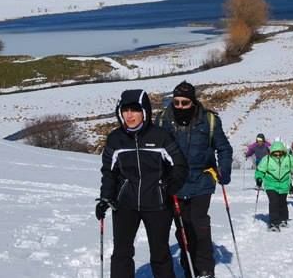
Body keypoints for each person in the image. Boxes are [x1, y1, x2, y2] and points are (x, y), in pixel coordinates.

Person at [96, 89, 189, 278]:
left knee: (160, 253)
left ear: (144, 111)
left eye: (135, 110)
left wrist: (169, 187)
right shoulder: (116, 139)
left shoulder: (160, 137)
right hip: (125, 204)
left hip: (157, 204)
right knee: (121, 253)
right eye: (125, 110)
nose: (129, 115)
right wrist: (106, 197)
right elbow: (109, 172)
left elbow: (180, 165)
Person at [156, 81, 233, 278]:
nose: (180, 106)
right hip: (175, 183)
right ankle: (189, 267)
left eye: (185, 103)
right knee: (183, 228)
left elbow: (224, 148)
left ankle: (205, 269)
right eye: (176, 102)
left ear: (193, 102)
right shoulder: (163, 120)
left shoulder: (208, 120)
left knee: (199, 225)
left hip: (201, 180)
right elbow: (155, 150)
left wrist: (224, 170)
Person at [254, 139, 293, 231]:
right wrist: (259, 178)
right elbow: (260, 170)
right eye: (275, 154)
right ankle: (274, 223)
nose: (278, 155)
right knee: (274, 202)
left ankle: (283, 219)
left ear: (283, 152)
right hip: (270, 185)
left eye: (280, 153)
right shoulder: (267, 159)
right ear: (272, 152)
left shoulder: (288, 159)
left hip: (284, 185)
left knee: (282, 202)